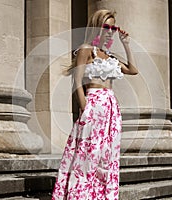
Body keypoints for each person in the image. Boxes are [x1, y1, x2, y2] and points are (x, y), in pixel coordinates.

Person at [52, 9, 138, 200]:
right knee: (88, 151)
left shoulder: (109, 55)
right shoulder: (85, 49)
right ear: (97, 26)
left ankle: (101, 195)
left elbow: (133, 70)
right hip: (94, 103)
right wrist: (85, 109)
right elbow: (77, 81)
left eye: (113, 27)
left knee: (107, 153)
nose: (110, 31)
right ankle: (80, 194)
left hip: (111, 108)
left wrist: (126, 45)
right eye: (107, 26)